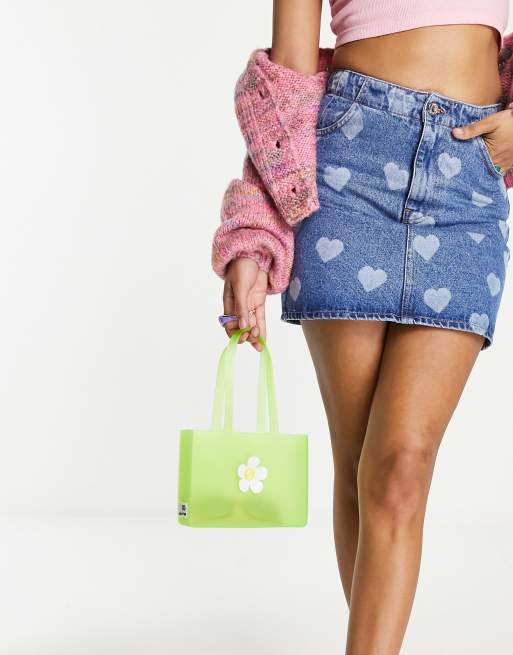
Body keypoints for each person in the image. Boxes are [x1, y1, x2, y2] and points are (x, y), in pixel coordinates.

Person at [214, 1, 513, 652]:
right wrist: (253, 236)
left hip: (467, 185)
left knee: (400, 465)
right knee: (362, 466)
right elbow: (287, 88)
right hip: (347, 172)